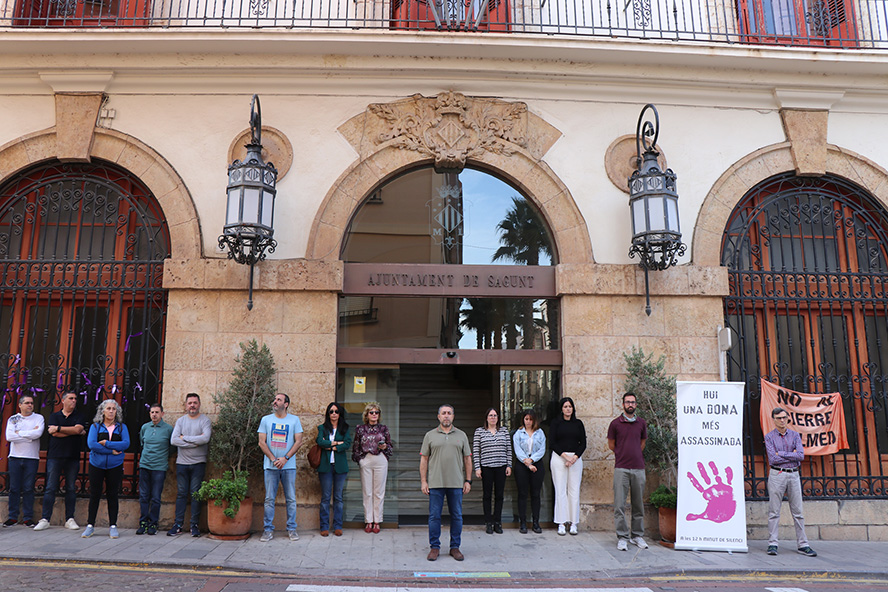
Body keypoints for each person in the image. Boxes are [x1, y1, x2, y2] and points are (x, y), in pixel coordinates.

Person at [420, 404, 472, 562]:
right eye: (443, 413)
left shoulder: (462, 435)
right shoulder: (430, 435)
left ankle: (455, 547)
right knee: (434, 516)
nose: (446, 416)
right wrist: (423, 481)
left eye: (449, 413)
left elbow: (467, 459)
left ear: (453, 416)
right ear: (438, 417)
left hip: (456, 483)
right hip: (435, 483)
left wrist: (468, 480)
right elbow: (424, 459)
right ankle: (434, 547)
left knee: (457, 516)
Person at [765, 406, 817, 557]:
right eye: (779, 418)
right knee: (774, 511)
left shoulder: (795, 435)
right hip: (777, 474)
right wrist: (790, 454)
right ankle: (772, 543)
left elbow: (800, 455)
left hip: (793, 474)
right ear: (774, 420)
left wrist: (781, 453)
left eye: (784, 417)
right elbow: (772, 459)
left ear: (788, 418)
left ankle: (803, 544)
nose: (782, 420)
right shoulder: (769, 437)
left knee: (798, 512)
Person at [34, 391, 87, 531]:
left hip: (72, 457)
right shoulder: (54, 415)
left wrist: (60, 429)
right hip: (55, 456)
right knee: (50, 487)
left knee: (70, 488)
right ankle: (45, 518)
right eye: (71, 398)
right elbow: (53, 433)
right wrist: (72, 431)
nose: (74, 401)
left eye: (75, 399)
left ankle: (69, 518)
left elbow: (77, 430)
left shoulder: (80, 416)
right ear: (63, 401)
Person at [257, 392, 303, 542]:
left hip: (288, 466)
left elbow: (298, 441)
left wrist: (285, 458)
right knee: (269, 499)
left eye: (279, 400)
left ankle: (292, 529)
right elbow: (261, 442)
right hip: (270, 467)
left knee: (291, 498)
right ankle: (268, 530)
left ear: (286, 404)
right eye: (275, 399)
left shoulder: (294, 420)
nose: (275, 401)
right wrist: (273, 459)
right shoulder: (266, 420)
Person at [82, 399, 131, 539]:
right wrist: (111, 450)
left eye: (114, 409)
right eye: (108, 408)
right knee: (95, 494)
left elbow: (125, 444)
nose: (111, 411)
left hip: (114, 466)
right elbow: (92, 444)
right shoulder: (96, 427)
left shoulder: (122, 428)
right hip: (96, 464)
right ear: (102, 411)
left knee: (113, 494)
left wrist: (106, 443)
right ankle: (90, 525)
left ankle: (113, 526)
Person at [607, 392, 648, 551]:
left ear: (636, 405)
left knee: (638, 504)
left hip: (638, 468)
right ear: (623, 404)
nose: (630, 404)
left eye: (633, 402)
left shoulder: (641, 423)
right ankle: (622, 537)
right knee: (619, 505)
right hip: (621, 468)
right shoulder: (615, 424)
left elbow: (642, 443)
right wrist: (623, 453)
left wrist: (634, 453)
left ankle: (637, 535)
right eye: (627, 402)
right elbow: (612, 445)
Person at [169, 392, 212, 537]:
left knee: (195, 494)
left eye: (195, 402)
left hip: (198, 463)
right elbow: (174, 441)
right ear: (185, 405)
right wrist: (194, 442)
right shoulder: (181, 421)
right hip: (182, 463)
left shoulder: (205, 421)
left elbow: (205, 439)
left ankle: (194, 525)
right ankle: (178, 524)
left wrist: (184, 438)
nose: (192, 405)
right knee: (181, 494)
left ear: (199, 404)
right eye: (190, 403)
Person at [4, 395, 45, 527]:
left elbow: (38, 434)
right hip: (15, 457)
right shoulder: (13, 419)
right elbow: (9, 436)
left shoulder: (39, 418)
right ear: (20, 405)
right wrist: (28, 436)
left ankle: (28, 517)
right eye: (27, 403)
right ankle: (12, 517)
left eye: (31, 403)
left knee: (28, 488)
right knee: (14, 488)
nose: (30, 405)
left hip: (31, 457)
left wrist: (19, 433)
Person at [352, 402, 393, 534]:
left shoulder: (384, 429)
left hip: (380, 459)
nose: (374, 415)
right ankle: (368, 520)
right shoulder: (360, 429)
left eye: (376, 412)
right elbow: (356, 446)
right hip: (366, 459)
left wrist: (385, 448)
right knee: (367, 492)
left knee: (379, 492)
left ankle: (377, 521)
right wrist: (361, 460)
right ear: (367, 415)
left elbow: (390, 446)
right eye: (371, 412)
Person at [549, 396, 585, 536]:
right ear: (561, 409)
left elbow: (583, 443)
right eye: (565, 406)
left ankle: (573, 522)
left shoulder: (578, 423)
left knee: (574, 491)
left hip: (576, 459)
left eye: (570, 406)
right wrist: (565, 457)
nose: (568, 409)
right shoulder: (555, 423)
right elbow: (552, 442)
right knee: (560, 490)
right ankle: (561, 523)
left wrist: (574, 458)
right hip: (559, 458)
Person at [473, 407, 512, 534]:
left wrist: (509, 465)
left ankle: (497, 522)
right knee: (487, 495)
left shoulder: (504, 431)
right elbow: (476, 451)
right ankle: (488, 522)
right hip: (486, 467)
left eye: (495, 415)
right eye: (490, 415)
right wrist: (477, 467)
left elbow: (508, 449)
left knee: (499, 495)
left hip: (501, 466)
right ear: (486, 418)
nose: (493, 418)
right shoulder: (479, 432)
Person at [316, 402, 352, 537]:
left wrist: (330, 445)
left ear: (340, 413)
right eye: (331, 411)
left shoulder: (345, 428)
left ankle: (338, 526)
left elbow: (348, 443)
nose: (334, 414)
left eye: (336, 411)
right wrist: (336, 443)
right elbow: (320, 441)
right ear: (328, 414)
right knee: (325, 497)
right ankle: (324, 526)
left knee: (338, 497)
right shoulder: (322, 428)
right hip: (325, 466)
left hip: (340, 467)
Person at [137, 402, 173, 535]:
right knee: (144, 496)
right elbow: (142, 443)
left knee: (156, 497)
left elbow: (172, 447)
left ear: (162, 414)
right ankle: (143, 523)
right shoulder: (145, 427)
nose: (154, 414)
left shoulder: (168, 429)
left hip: (159, 467)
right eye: (152, 412)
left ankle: (153, 524)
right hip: (145, 465)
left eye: (157, 412)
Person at [513, 408, 545, 534]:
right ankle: (523, 522)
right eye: (526, 419)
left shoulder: (540, 433)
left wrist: (531, 460)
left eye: (531, 419)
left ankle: (536, 522)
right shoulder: (518, 433)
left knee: (536, 494)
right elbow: (518, 450)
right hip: (522, 465)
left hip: (536, 464)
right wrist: (526, 462)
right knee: (522, 494)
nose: (528, 422)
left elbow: (542, 450)